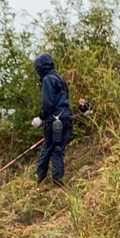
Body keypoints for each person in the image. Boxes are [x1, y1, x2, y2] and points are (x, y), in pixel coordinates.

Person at [31, 52, 73, 185]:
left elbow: (47, 103)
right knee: (58, 148)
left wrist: (40, 117)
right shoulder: (60, 78)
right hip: (66, 117)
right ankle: (57, 178)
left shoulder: (48, 80)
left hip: (54, 119)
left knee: (48, 146)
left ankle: (40, 177)